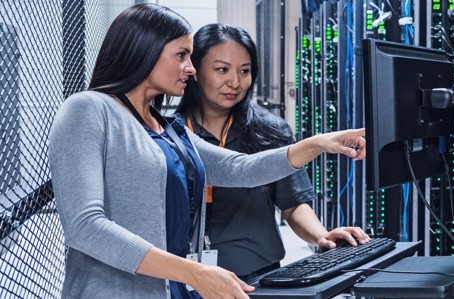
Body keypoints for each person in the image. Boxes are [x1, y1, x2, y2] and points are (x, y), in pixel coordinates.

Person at [48, 4, 365, 299]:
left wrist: (319, 143)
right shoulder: (87, 110)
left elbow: (240, 169)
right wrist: (195, 272)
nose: (190, 68)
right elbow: (85, 227)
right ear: (145, 50)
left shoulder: (168, 128)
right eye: (182, 55)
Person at [176, 23, 371, 281]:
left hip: (258, 277)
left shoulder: (268, 131)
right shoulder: (171, 135)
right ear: (195, 70)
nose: (235, 82)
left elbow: (293, 204)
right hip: (189, 279)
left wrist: (321, 236)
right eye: (222, 69)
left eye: (245, 71)